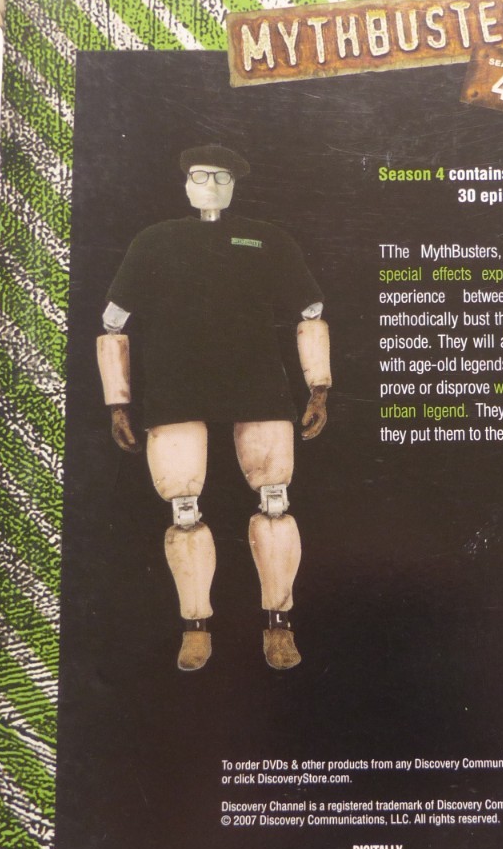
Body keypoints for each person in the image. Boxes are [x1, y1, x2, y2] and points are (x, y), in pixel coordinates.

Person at [95, 144, 331, 671]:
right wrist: (118, 402)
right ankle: (195, 628)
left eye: (222, 177)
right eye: (201, 176)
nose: (212, 185)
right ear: (185, 182)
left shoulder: (268, 239)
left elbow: (311, 310)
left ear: (235, 185)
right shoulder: (154, 240)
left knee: (275, 501)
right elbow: (113, 322)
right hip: (175, 383)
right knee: (183, 507)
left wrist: (318, 386)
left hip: (256, 378)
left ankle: (279, 624)